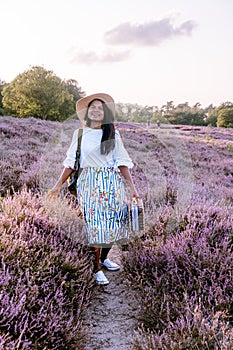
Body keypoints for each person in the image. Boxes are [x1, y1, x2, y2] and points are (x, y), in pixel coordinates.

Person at [49, 93, 139, 285]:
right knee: (95, 225)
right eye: (93, 107)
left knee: (115, 224)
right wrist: (58, 185)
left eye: (100, 108)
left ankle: (105, 258)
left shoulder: (113, 134)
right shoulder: (80, 134)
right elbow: (70, 162)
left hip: (111, 182)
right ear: (87, 112)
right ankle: (96, 267)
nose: (96, 110)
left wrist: (132, 189)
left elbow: (122, 163)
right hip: (88, 183)